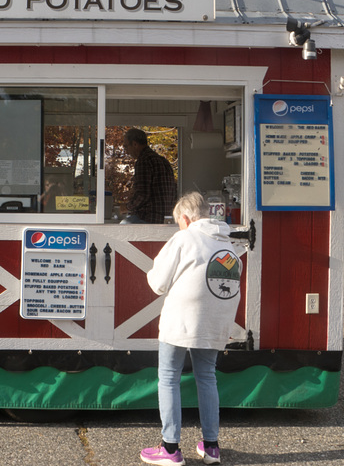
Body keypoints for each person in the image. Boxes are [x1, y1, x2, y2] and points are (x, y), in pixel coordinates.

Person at [140, 192, 242, 466]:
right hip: (216, 319)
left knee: (169, 377)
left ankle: (170, 449)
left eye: (179, 222)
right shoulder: (227, 243)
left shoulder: (184, 238)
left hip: (182, 319)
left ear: (185, 218)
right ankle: (211, 447)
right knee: (207, 376)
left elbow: (158, 283)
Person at [121, 128, 177, 224]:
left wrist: (126, 207)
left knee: (122, 226)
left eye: (126, 146)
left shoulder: (143, 161)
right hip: (165, 219)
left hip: (147, 219)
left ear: (135, 144)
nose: (126, 151)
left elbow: (142, 195)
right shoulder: (164, 161)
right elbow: (173, 192)